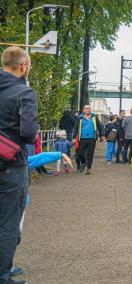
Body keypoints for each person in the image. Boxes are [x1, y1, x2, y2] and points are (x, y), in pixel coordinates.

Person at [0, 46, 37, 284]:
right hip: (11, 164)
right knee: (8, 222)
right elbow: (28, 133)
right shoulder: (25, 93)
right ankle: (3, 272)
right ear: (22, 66)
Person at [73, 104, 103, 175]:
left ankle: (88, 168)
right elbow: (76, 128)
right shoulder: (80, 118)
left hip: (92, 138)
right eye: (86, 109)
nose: (88, 110)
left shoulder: (94, 117)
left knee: (90, 154)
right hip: (82, 138)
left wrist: (102, 135)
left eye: (89, 108)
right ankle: (83, 163)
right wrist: (74, 137)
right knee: (79, 153)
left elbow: (100, 126)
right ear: (83, 110)